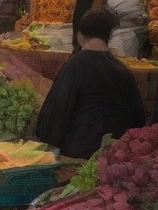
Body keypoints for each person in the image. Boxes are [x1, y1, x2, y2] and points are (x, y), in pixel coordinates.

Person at [35, 8, 147, 160]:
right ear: (110, 35)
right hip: (115, 153)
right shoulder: (122, 69)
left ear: (80, 35)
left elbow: (57, 110)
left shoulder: (75, 64)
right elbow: (138, 118)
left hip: (79, 152)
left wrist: (45, 144)